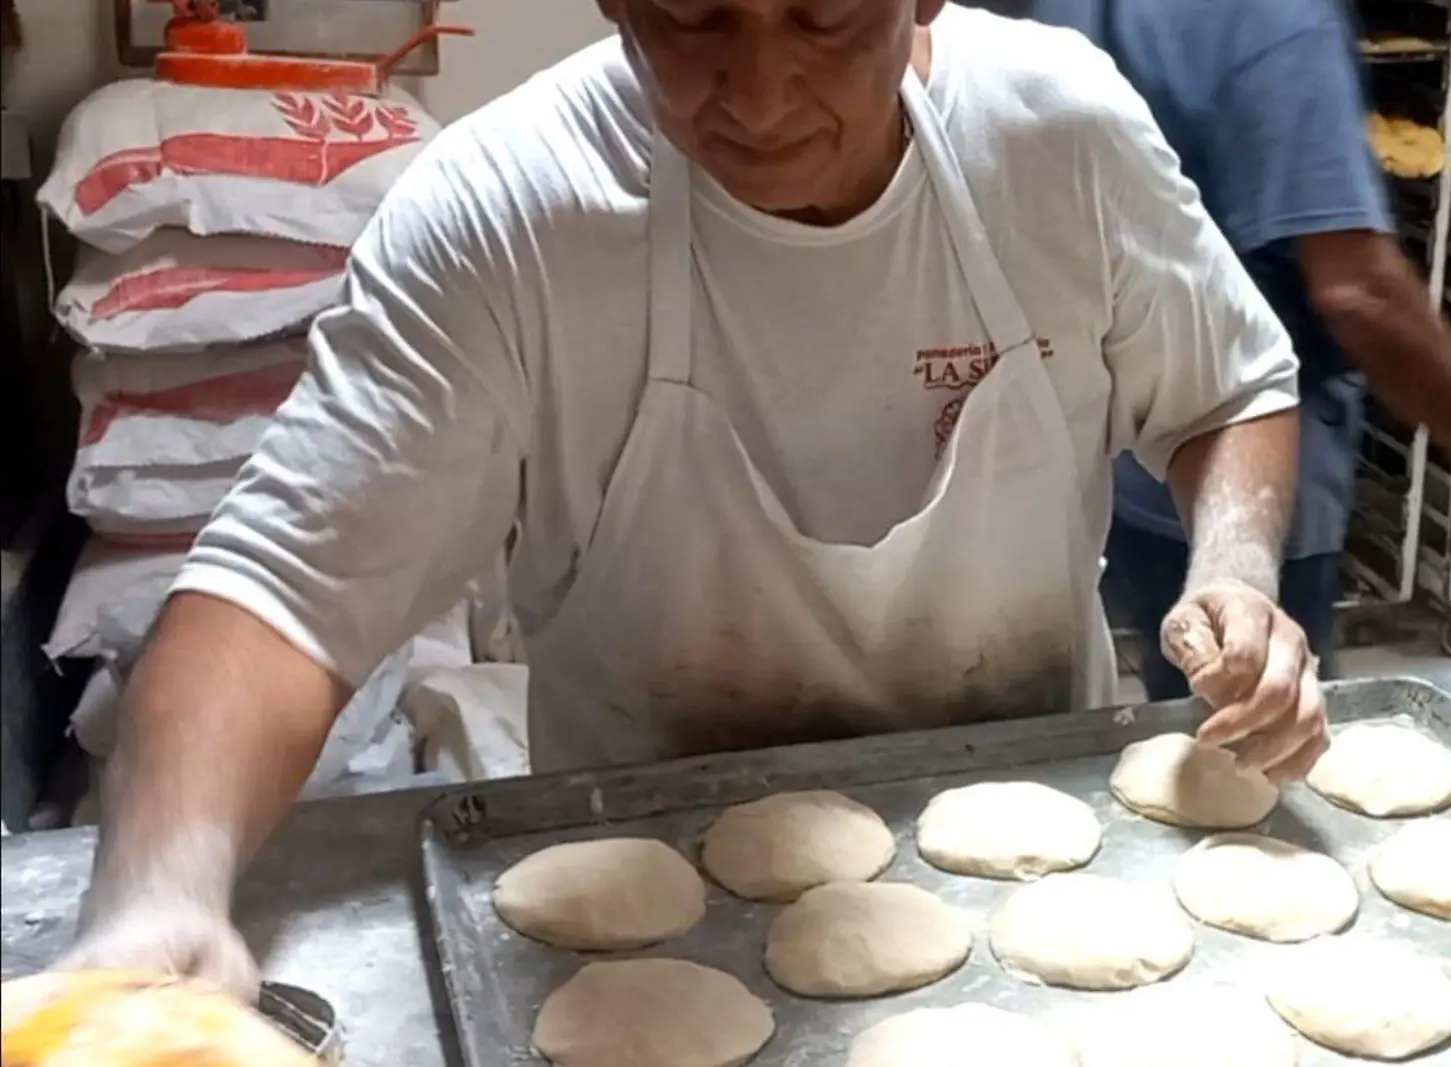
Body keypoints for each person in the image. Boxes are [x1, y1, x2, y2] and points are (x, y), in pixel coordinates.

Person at [58, 0, 1328, 995]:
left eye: (824, 20)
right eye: (695, 19)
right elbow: (282, 592)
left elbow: (1222, 390)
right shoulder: (504, 218)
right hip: (637, 906)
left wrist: (1233, 571)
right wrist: (160, 891)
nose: (761, 94)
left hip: (1041, 853)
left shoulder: (1057, 136)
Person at [1002, 0, 1451, 695]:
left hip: (1113, 450)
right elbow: (1359, 291)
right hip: (1245, 467)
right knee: (1258, 732)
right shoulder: (1279, 19)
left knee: (1192, 711)